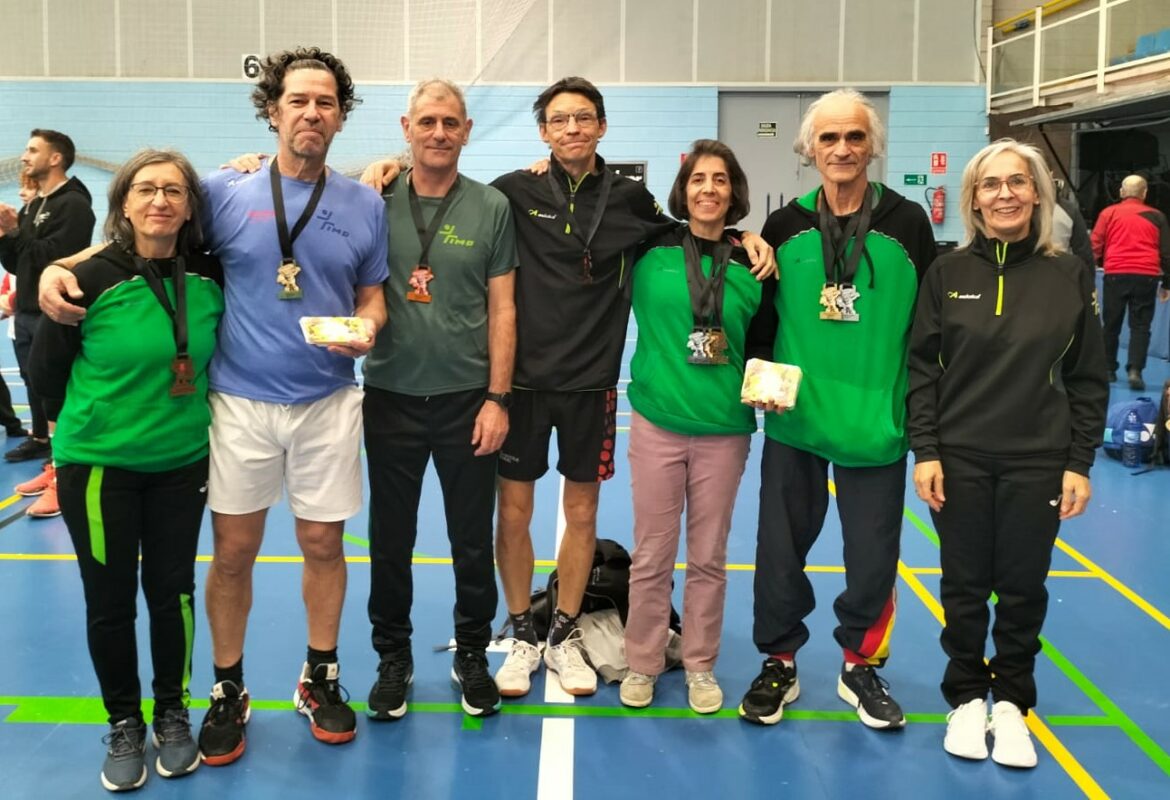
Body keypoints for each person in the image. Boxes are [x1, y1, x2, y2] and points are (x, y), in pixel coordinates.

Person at [361, 76, 772, 699]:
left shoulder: (633, 201)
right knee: (515, 513)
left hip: (592, 385)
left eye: (584, 118)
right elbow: (432, 177)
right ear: (544, 132)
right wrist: (385, 164)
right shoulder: (511, 193)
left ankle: (564, 629)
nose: (573, 129)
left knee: (581, 513)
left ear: (602, 127)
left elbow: (691, 227)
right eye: (559, 120)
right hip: (520, 384)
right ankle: (523, 631)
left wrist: (745, 237)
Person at [38, 47, 389, 764]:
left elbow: (372, 292)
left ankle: (320, 674)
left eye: (326, 103)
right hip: (238, 404)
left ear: (341, 116)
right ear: (273, 111)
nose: (312, 113)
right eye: (298, 101)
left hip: (327, 401)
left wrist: (372, 325)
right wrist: (54, 265)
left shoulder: (366, 203)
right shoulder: (225, 192)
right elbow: (140, 241)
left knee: (324, 545)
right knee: (233, 553)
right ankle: (228, 687)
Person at [738, 88, 936, 730]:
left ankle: (860, 665)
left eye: (854, 137)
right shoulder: (784, 225)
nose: (843, 149)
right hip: (797, 422)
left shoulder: (908, 223)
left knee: (874, 555)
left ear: (872, 146)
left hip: (876, 424)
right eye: (829, 138)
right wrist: (763, 385)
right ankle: (779, 662)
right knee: (778, 551)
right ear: (809, 149)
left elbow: (928, 329)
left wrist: (917, 411)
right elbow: (764, 320)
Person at [908, 139, 1107, 768]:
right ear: (972, 199)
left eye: (1017, 183)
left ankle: (1013, 702)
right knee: (964, 586)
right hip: (960, 457)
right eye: (991, 185)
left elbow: (1087, 377)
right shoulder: (947, 273)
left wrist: (1079, 461)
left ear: (1037, 194)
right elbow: (921, 370)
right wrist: (927, 449)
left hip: (1038, 460)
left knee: (1023, 588)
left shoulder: (1070, 274)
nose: (1005, 195)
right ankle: (966, 696)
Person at [31, 149, 224, 792]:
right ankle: (123, 721)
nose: (160, 201)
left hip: (181, 463)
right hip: (99, 467)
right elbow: (46, 373)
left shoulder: (209, 271)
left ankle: (172, 712)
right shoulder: (90, 276)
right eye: (146, 189)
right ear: (124, 203)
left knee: (173, 594)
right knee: (110, 601)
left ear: (190, 205)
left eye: (174, 190)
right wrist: (71, 444)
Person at [360, 79, 516, 719]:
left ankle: (472, 652)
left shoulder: (492, 207)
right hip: (390, 396)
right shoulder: (373, 197)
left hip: (465, 400)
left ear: (467, 130)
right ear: (406, 126)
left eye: (450, 122)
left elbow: (504, 308)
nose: (438, 133)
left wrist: (498, 398)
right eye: (427, 121)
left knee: (471, 540)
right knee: (389, 539)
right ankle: (392, 658)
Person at [618, 139, 775, 714]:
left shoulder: (757, 263)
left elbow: (765, 346)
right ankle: (642, 661)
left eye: (720, 180)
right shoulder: (648, 246)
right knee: (652, 554)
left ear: (734, 193)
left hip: (725, 429)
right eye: (697, 180)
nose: (708, 189)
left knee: (709, 555)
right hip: (658, 422)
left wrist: (753, 240)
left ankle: (701, 664)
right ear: (682, 192)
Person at [0, 129, 95, 480]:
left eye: (32, 150)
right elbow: (20, 263)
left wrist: (17, 233)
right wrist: (7, 237)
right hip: (25, 311)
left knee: (55, 385)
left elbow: (55, 261)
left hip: (50, 313)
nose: (24, 157)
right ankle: (42, 440)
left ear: (55, 158)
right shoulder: (35, 203)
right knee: (33, 381)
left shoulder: (73, 205)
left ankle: (66, 455)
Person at [1090, 174, 1170, 391]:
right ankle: (1135, 370)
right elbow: (1166, 253)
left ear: (1122, 192)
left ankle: (1108, 369)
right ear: (1144, 193)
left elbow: (1094, 245)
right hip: (1146, 276)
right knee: (1141, 326)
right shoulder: (1158, 216)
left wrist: (1086, 275)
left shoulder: (1109, 213)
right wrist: (1167, 284)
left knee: (1111, 325)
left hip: (1115, 274)